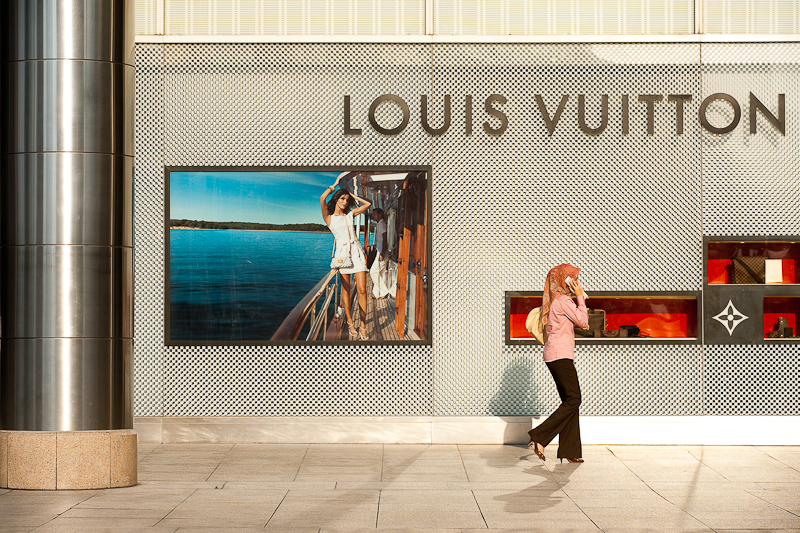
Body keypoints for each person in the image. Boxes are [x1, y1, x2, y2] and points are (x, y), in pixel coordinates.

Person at [527, 264, 589, 463]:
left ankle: (569, 451)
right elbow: (583, 322)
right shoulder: (563, 300)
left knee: (570, 402)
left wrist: (578, 295)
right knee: (574, 399)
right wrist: (579, 296)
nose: (575, 281)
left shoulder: (556, 300)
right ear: (564, 280)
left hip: (554, 355)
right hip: (560, 356)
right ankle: (539, 436)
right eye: (572, 278)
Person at [320, 176, 372, 340]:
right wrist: (334, 186)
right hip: (342, 256)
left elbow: (368, 204)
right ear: (336, 199)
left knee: (362, 290)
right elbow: (322, 198)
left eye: (346, 200)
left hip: (356, 253)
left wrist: (352, 194)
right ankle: (350, 322)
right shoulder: (329, 218)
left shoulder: (351, 214)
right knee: (346, 290)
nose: (344, 201)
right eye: (342, 198)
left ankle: (362, 326)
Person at [369, 208, 390, 300]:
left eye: (374, 214)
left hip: (382, 252)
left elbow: (385, 239)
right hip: (380, 251)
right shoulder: (379, 224)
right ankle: (376, 294)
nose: (372, 216)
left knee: (373, 272)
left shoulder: (381, 224)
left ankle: (384, 291)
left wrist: (382, 253)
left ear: (380, 215)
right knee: (379, 273)